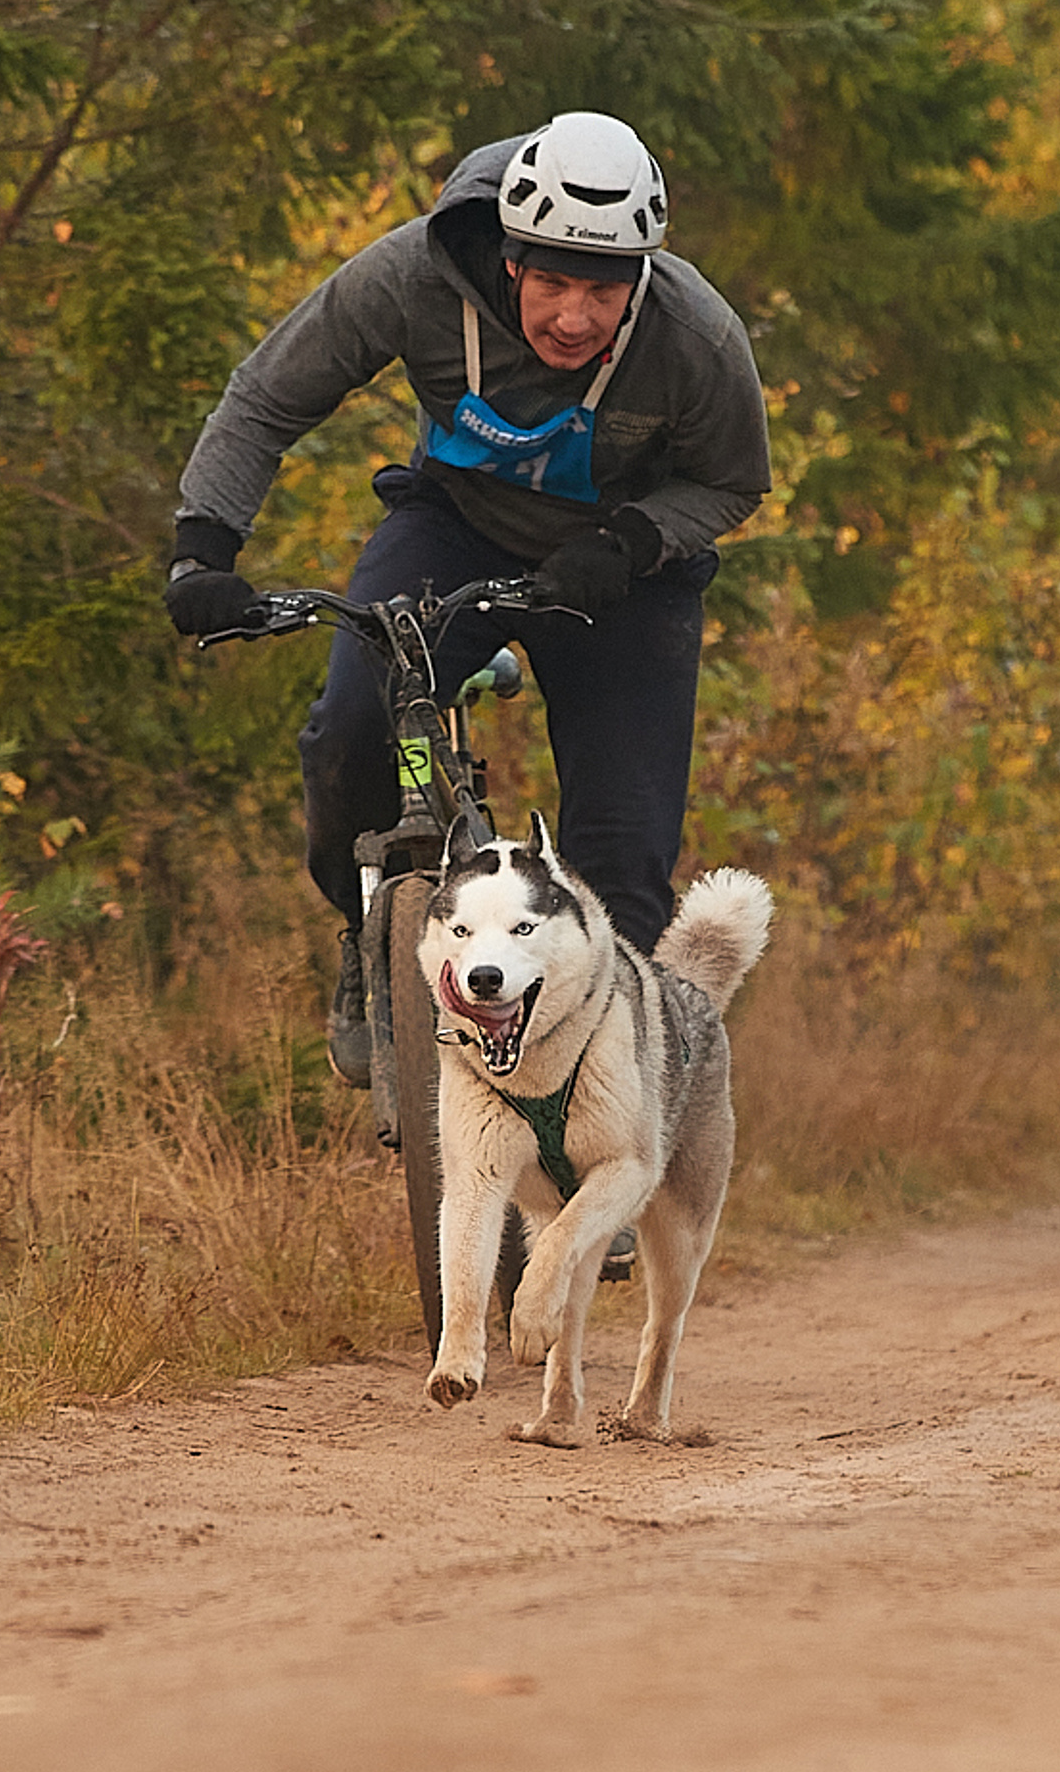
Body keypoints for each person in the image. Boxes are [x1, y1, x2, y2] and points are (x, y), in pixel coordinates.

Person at [163, 111, 772, 1075]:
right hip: (453, 528)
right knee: (350, 733)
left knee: (621, 857)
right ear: (510, 259)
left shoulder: (695, 335)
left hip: (623, 573)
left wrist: (632, 541)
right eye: (553, 284)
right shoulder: (413, 276)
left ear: (640, 278)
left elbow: (734, 481)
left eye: (604, 291)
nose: (575, 318)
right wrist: (203, 549)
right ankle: (372, 937)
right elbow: (268, 397)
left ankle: (599, 1104)